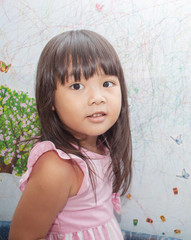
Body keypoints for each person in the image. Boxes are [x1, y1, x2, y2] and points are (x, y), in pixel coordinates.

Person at [9, 29, 132, 240]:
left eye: (107, 84)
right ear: (50, 99)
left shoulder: (102, 144)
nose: (97, 98)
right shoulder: (57, 168)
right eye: (77, 86)